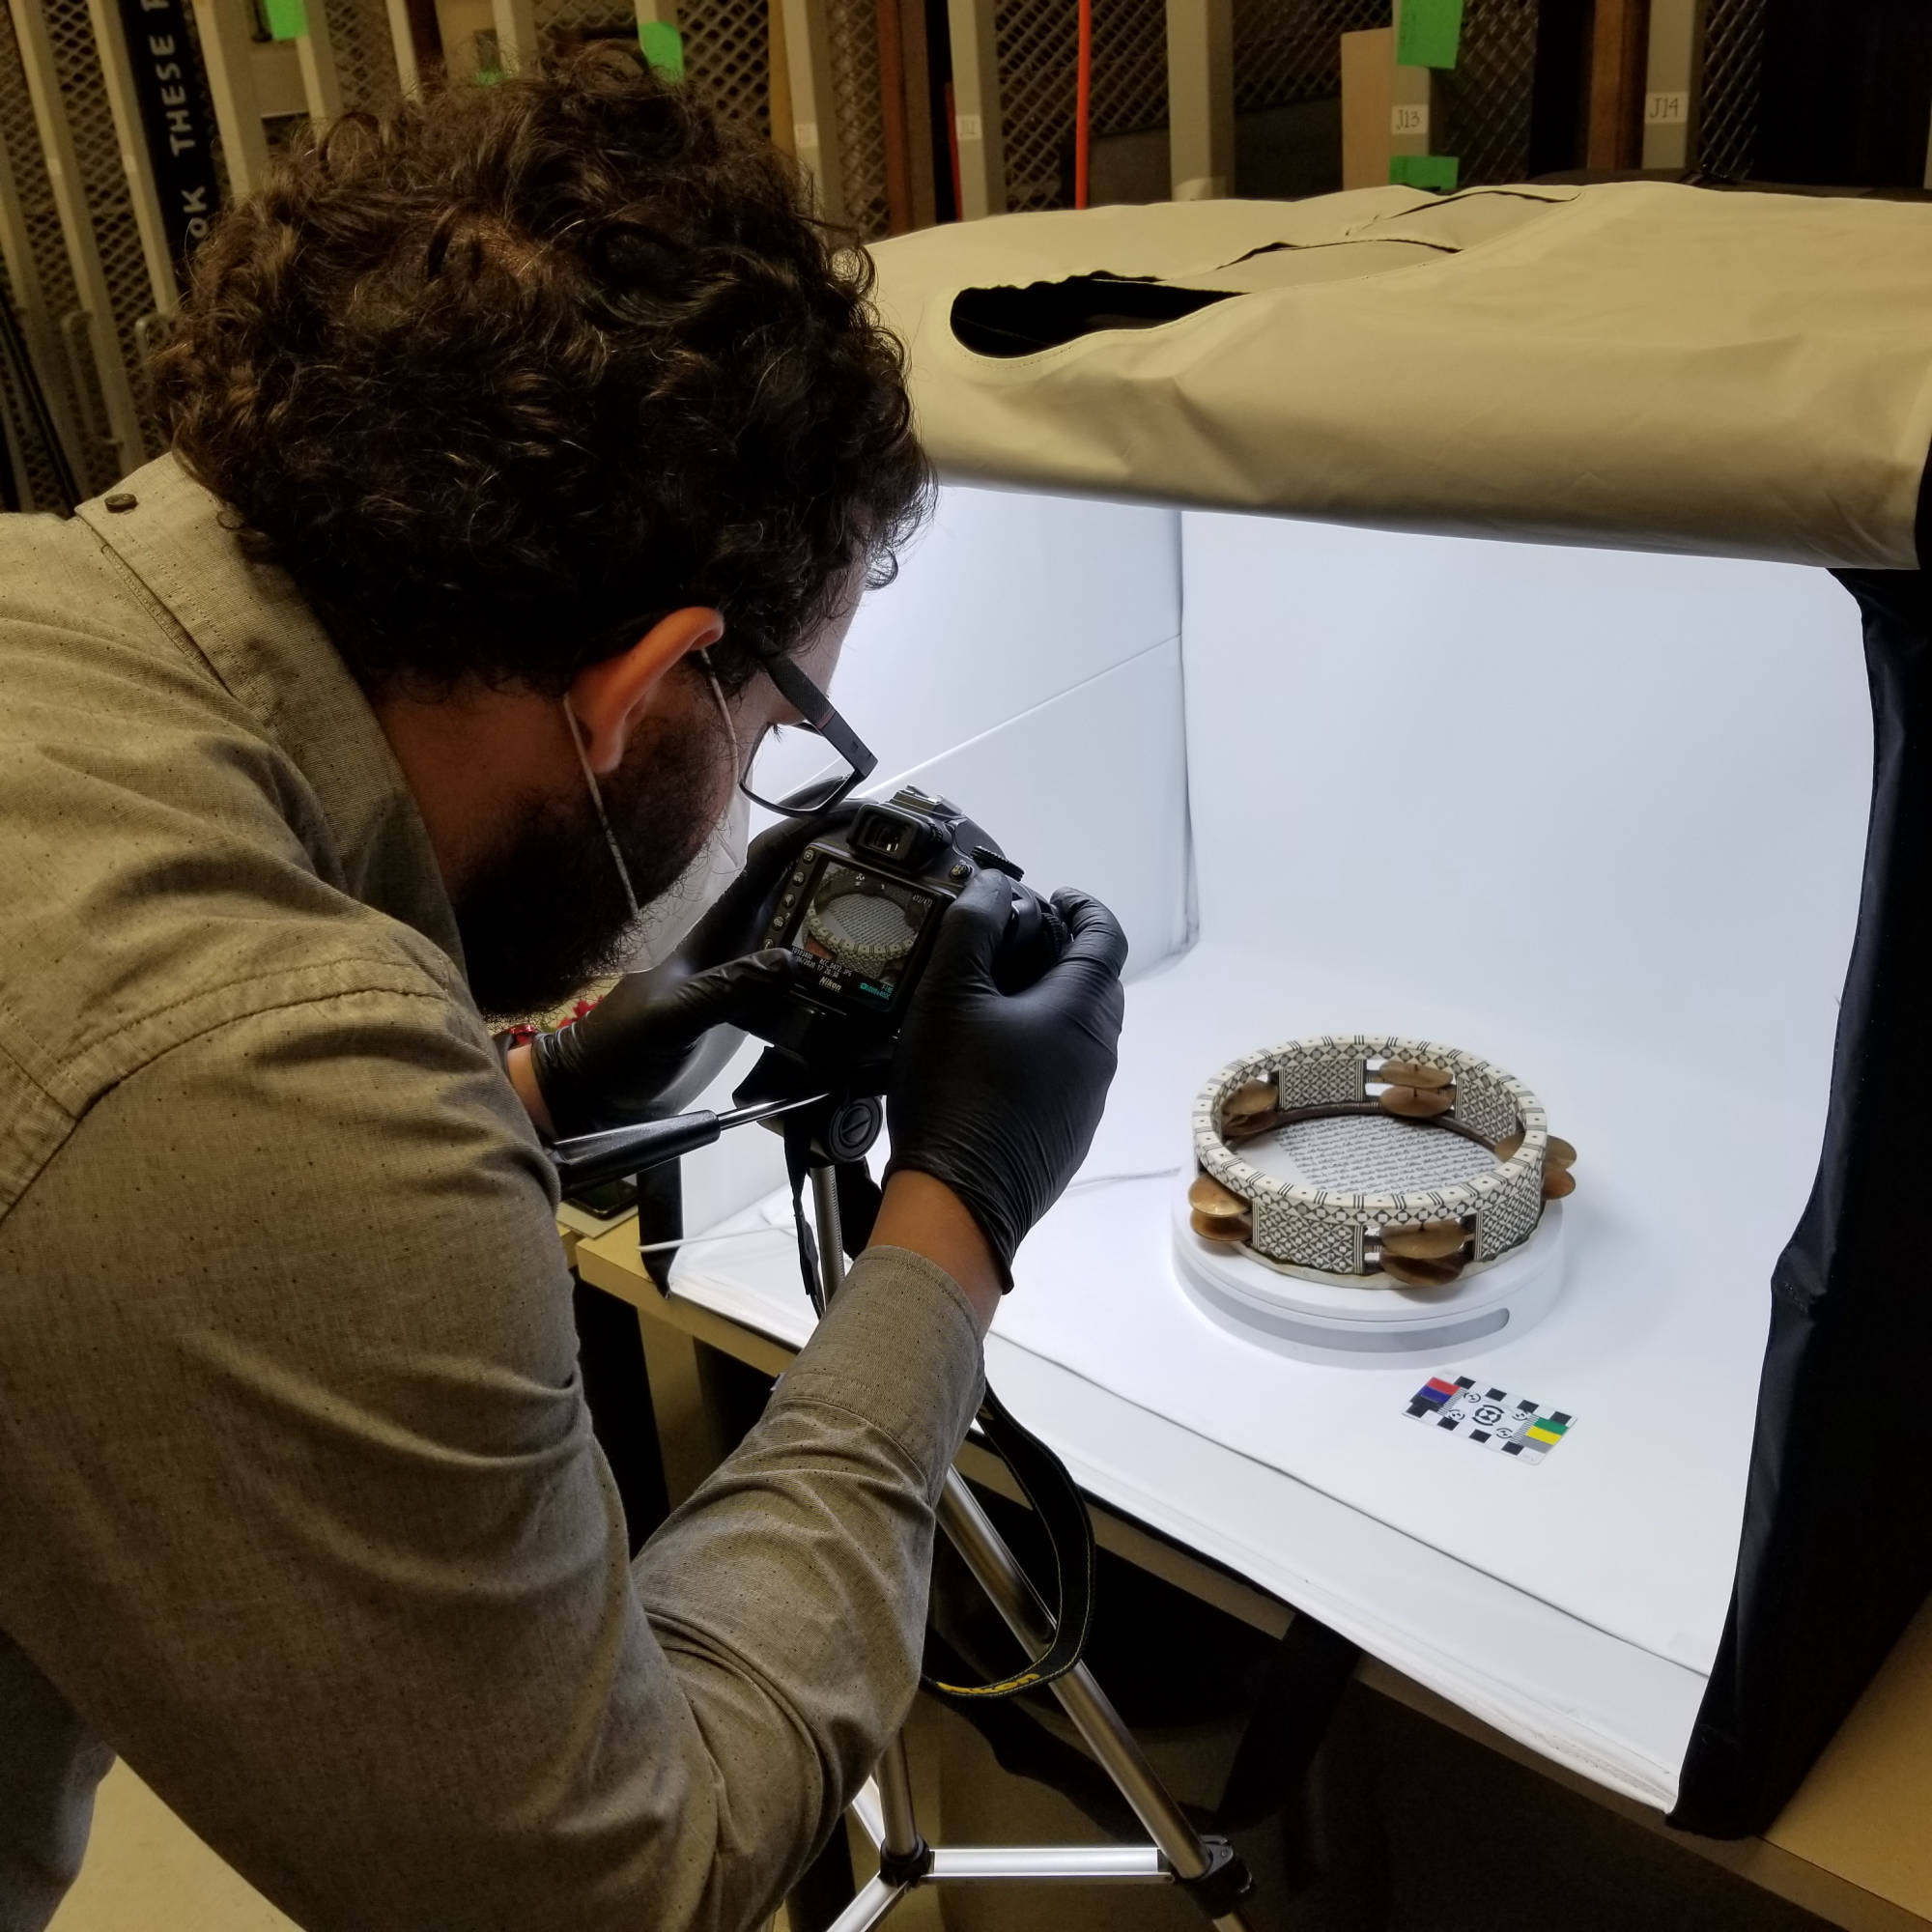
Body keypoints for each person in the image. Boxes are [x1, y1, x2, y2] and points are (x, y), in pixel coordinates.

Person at [0, 52, 1127, 1932]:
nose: (770, 768)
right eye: (781, 720)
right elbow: (621, 1883)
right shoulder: (239, 1076)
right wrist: (957, 1215)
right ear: (646, 684)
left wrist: (564, 1071)